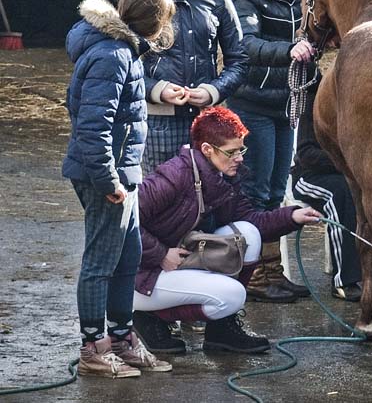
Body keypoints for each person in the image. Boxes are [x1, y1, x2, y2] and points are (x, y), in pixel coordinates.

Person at [132, 107, 322, 354]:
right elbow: (124, 222)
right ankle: (148, 319)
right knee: (232, 295)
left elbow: (252, 221)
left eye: (241, 150)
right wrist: (159, 254)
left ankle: (222, 332)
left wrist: (293, 216)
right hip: (138, 278)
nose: (240, 158)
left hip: (176, 260)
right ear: (207, 150)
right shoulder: (173, 175)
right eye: (232, 152)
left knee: (248, 235)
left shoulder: (223, 176)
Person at [62, 0, 176, 378]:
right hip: (104, 176)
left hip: (122, 173)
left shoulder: (123, 51)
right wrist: (110, 180)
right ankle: (93, 346)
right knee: (101, 261)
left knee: (128, 256)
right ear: (157, 24)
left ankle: (123, 337)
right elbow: (94, 126)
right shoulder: (114, 55)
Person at [227, 0, 317, 303]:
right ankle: (254, 274)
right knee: (257, 190)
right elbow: (246, 44)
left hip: (286, 104)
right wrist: (289, 50)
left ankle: (272, 270)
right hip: (253, 102)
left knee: (278, 191)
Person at [137, 0, 248, 174]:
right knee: (159, 197)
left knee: (207, 195)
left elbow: (239, 60)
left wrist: (213, 91)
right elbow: (124, 63)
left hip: (204, 119)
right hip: (157, 121)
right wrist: (157, 89)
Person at [290, 74, 372, 303]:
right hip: (311, 177)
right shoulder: (316, 99)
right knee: (342, 194)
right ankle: (344, 279)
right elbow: (306, 154)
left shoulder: (367, 107)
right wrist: (351, 163)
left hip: (354, 175)